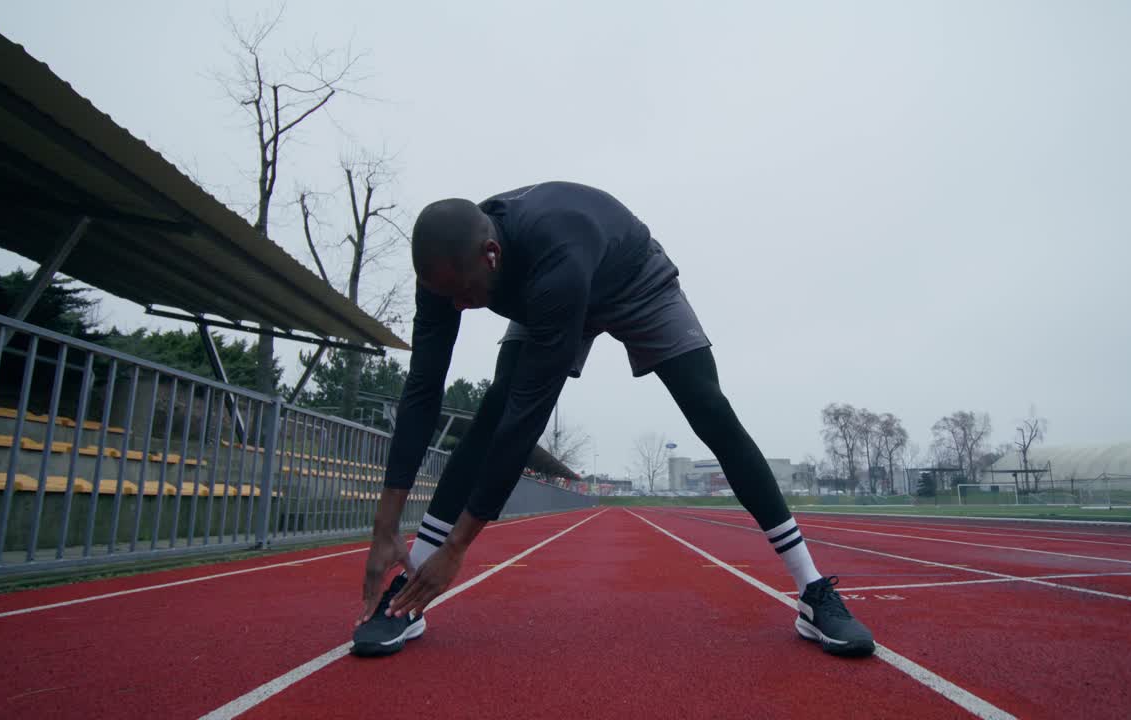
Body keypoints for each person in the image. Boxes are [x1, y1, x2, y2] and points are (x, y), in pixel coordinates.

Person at [351, 182, 874, 658]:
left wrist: (458, 548)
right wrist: (385, 526)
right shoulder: (445, 271)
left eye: (465, 293)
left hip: (631, 278)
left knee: (710, 410)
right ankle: (408, 593)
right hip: (545, 290)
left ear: (491, 255)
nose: (460, 307)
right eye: (448, 297)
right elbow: (423, 390)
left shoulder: (553, 257)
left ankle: (812, 590)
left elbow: (526, 421)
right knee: (490, 415)